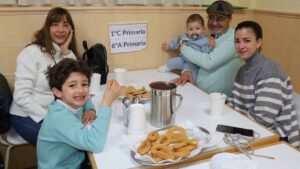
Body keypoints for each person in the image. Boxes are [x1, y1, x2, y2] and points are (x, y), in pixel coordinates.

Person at [9, 7, 96, 145]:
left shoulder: (66, 54)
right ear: (47, 28)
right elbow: (21, 96)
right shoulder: (30, 53)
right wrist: (51, 118)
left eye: (65, 25)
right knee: (69, 141)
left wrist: (89, 108)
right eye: (55, 24)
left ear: (71, 31)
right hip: (27, 116)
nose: (60, 30)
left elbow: (79, 85)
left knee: (85, 135)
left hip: (57, 114)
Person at [227, 21, 300, 147]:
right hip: (251, 129)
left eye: (247, 40)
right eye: (237, 41)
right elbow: (234, 102)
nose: (241, 46)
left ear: (259, 42)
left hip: (278, 138)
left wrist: (234, 129)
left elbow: (263, 117)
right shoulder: (242, 70)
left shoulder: (270, 72)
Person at [37, 58, 120, 168]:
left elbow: (85, 100)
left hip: (75, 161)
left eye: (84, 84)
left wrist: (90, 109)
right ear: (57, 92)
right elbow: (95, 144)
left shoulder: (67, 101)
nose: (81, 90)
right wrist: (106, 104)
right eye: (72, 85)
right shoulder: (59, 117)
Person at [173, 0, 240, 96]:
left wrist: (182, 47)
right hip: (199, 92)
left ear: (229, 19)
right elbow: (195, 58)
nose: (214, 23)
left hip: (219, 100)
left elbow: (209, 62)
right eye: (211, 18)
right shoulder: (207, 35)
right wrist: (187, 71)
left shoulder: (234, 37)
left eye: (220, 18)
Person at [159, 13, 215, 82]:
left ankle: (189, 80)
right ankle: (167, 67)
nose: (194, 31)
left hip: (194, 64)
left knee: (192, 76)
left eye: (197, 28)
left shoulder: (204, 41)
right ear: (187, 29)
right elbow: (176, 42)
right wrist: (169, 46)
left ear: (203, 29)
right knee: (172, 61)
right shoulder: (184, 37)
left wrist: (210, 47)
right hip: (182, 59)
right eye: (191, 29)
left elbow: (205, 53)